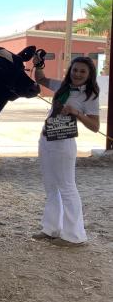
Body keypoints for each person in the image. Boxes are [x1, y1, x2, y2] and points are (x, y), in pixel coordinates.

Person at [32, 56, 100, 247]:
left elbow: (95, 126)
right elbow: (41, 79)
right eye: (75, 70)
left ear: (89, 75)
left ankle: (75, 236)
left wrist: (77, 113)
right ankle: (51, 228)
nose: (77, 74)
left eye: (82, 71)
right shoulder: (62, 86)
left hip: (64, 143)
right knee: (51, 186)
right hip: (47, 138)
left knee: (67, 187)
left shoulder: (90, 95)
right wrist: (38, 64)